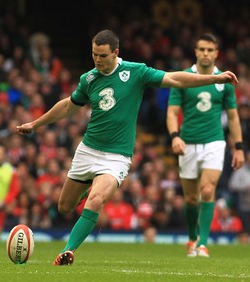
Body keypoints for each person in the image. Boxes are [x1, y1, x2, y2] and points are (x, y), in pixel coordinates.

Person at [16, 29, 238, 266]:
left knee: (96, 200)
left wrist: (214, 78)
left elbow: (175, 78)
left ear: (116, 53)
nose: (98, 60)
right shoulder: (88, 79)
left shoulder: (136, 72)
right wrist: (36, 123)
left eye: (102, 55)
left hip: (117, 156)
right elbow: (69, 106)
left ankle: (68, 251)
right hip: (88, 150)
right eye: (94, 55)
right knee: (65, 207)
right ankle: (85, 189)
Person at [166, 33, 245, 257]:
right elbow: (172, 112)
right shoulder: (183, 78)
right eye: (202, 49)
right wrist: (175, 136)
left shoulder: (225, 80)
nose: (206, 53)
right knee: (191, 198)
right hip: (187, 143)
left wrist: (238, 147)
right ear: (196, 52)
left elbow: (233, 117)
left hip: (214, 142)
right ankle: (192, 237)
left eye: (210, 50)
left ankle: (203, 243)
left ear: (216, 53)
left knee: (208, 190)